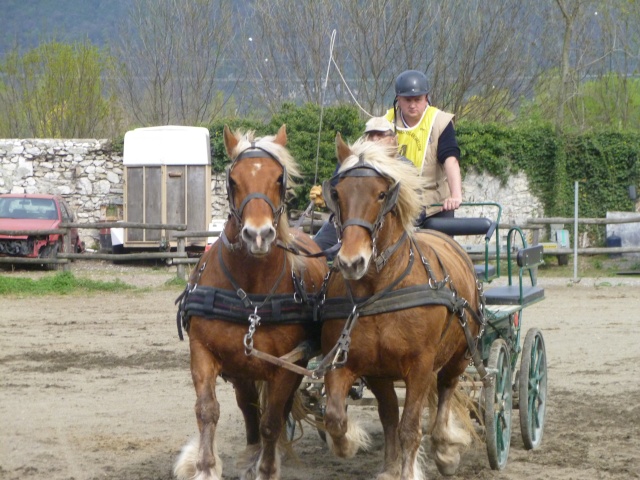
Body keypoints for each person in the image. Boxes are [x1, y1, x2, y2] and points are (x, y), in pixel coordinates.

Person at [310, 116, 412, 256]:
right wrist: (325, 198)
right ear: (364, 139)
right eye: (371, 135)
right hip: (346, 224)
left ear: (393, 139)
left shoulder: (404, 166)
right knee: (316, 251)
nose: (375, 139)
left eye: (381, 135)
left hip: (390, 229)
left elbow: (417, 209)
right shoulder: (349, 161)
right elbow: (337, 192)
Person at [384, 70, 462, 224]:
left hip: (435, 206)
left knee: (442, 246)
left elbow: (451, 160)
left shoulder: (440, 121)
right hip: (397, 206)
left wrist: (456, 196)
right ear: (398, 99)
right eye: (407, 100)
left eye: (417, 99)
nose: (412, 105)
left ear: (426, 98)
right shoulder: (385, 122)